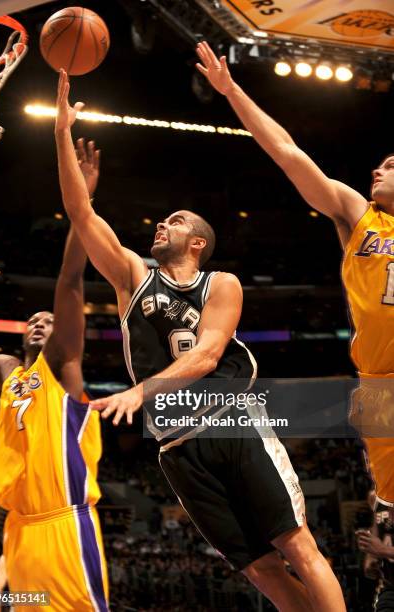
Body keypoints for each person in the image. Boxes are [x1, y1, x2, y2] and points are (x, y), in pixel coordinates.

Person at [54, 68, 345, 612]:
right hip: (177, 448)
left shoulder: (222, 283)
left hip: (231, 423)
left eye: (175, 220)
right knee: (260, 570)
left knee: (295, 544)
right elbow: (81, 212)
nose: (161, 224)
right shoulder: (132, 278)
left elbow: (209, 354)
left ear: (198, 241)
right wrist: (60, 135)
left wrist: (141, 392)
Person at [194, 41, 394, 509]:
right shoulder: (359, 215)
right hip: (380, 384)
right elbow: (287, 152)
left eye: (390, 165)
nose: (376, 169)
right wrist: (231, 92)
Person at [0, 139, 109, 612]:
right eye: (32, 319)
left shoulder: (62, 369)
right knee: (16, 607)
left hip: (63, 527)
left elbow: (71, 279)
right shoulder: (7, 370)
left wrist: (82, 202)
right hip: (18, 533)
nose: (40, 321)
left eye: (50, 320)